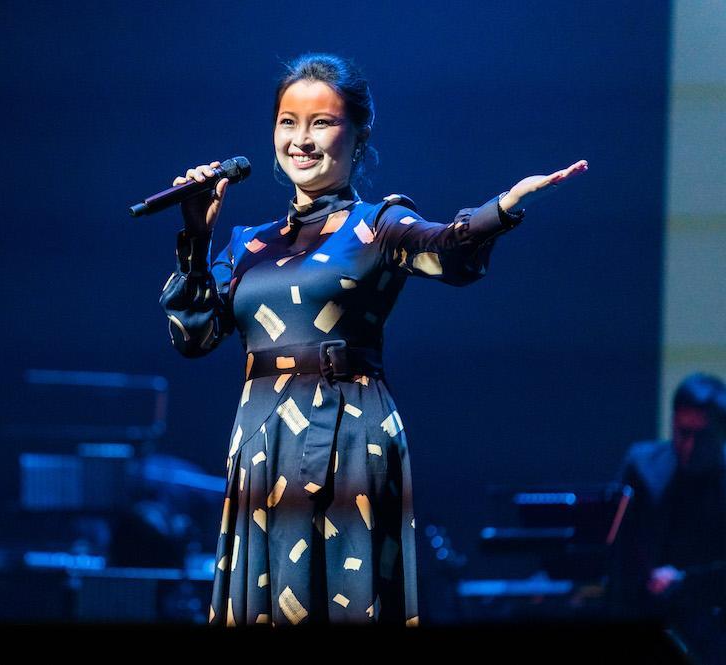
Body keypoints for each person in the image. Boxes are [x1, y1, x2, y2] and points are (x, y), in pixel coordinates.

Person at [158, 52, 588, 626]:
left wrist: (505, 207)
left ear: (358, 135)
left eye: (321, 123)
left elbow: (448, 250)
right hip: (263, 440)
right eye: (288, 122)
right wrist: (196, 235)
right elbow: (194, 335)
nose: (301, 139)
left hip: (348, 433)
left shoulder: (377, 224)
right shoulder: (248, 244)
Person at [607, 372, 726, 661]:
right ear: (673, 422)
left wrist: (685, 581)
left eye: (702, 437)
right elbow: (610, 537)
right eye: (683, 433)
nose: (689, 447)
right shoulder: (642, 466)